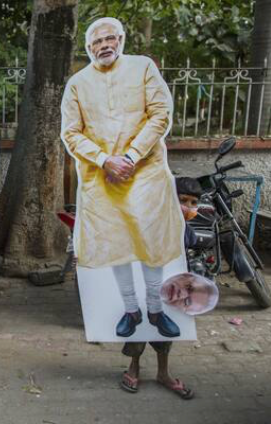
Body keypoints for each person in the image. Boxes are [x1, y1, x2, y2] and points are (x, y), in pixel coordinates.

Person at [61, 17, 183, 340]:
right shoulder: (77, 84)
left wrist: (131, 156)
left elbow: (161, 114)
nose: (104, 46)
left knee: (150, 241)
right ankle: (131, 310)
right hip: (103, 179)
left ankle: (155, 310)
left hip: (146, 173)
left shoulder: (143, 68)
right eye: (97, 42)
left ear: (121, 39)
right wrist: (104, 160)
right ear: (88, 49)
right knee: (116, 244)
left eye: (109, 39)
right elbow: (71, 134)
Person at [118, 177, 205, 399]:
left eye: (193, 202)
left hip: (170, 285)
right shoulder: (149, 218)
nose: (188, 206)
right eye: (183, 200)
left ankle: (163, 373)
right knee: (138, 329)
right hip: (143, 280)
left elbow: (191, 243)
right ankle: (133, 367)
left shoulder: (184, 227)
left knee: (165, 329)